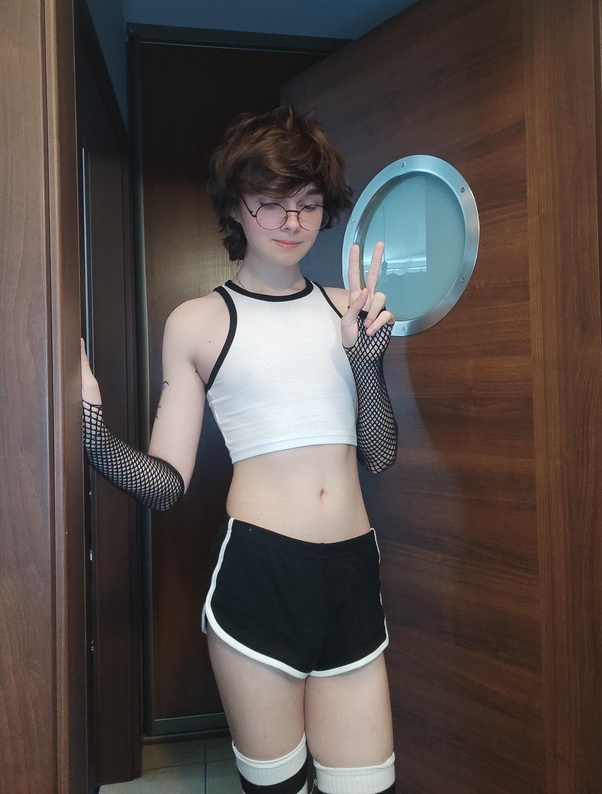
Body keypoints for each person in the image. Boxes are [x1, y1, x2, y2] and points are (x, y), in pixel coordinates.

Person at [81, 105, 398, 794]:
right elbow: (165, 484)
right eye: (271, 202)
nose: (292, 221)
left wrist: (366, 362)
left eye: (309, 203)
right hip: (259, 574)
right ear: (235, 205)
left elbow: (378, 455)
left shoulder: (348, 308)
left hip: (352, 571)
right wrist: (89, 429)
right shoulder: (199, 322)